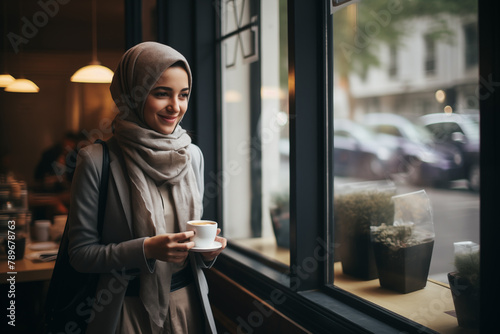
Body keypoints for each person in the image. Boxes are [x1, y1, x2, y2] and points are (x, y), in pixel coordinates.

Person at [67, 41, 226, 333]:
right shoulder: (96, 160)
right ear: (132, 95)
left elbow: (192, 246)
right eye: (162, 93)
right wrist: (146, 249)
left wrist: (207, 253)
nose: (175, 107)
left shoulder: (192, 155)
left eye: (184, 95)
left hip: (188, 307)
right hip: (125, 312)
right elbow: (79, 254)